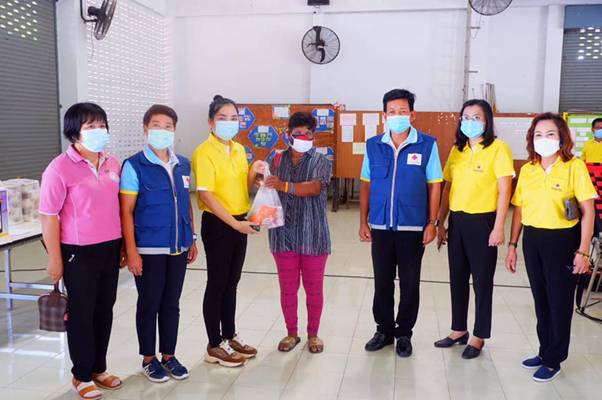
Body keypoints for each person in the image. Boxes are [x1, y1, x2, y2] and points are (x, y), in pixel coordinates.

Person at [40, 103, 123, 400]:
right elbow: (49, 216)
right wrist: (55, 257)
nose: (98, 131)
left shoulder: (112, 163)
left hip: (110, 247)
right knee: (82, 313)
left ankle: (99, 368)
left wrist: (123, 247)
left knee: (104, 308)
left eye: (101, 125)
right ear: (74, 132)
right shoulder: (59, 168)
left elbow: (118, 207)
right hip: (78, 251)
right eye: (90, 126)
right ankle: (82, 374)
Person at [506, 113, 596, 382]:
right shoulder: (528, 169)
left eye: (550, 134)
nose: (543, 139)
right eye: (538, 135)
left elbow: (588, 212)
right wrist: (512, 245)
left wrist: (583, 251)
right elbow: (519, 210)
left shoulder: (574, 167)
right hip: (533, 240)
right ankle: (544, 350)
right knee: (541, 299)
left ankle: (554, 359)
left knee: (559, 302)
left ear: (562, 138)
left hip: (563, 241)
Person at [359, 89, 443, 358]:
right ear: (384, 115)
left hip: (412, 227)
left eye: (403, 111)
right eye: (392, 112)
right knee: (382, 282)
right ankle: (383, 331)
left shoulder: (427, 144)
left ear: (412, 114)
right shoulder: (373, 145)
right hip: (381, 226)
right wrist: (363, 221)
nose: (397, 116)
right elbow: (366, 184)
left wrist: (432, 222)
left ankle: (404, 333)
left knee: (410, 283)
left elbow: (435, 185)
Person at [120, 105, 198, 382]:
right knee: (149, 303)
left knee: (171, 303)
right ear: (145, 128)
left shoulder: (183, 164)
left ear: (174, 130)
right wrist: (131, 251)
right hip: (148, 248)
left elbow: (186, 203)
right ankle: (148, 359)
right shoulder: (133, 165)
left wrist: (192, 238)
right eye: (156, 125)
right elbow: (126, 211)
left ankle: (169, 355)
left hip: (178, 246)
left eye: (168, 126)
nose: (162, 130)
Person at [434, 99, 514, 359]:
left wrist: (499, 227)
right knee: (457, 278)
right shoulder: (457, 150)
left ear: (487, 121)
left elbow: (505, 191)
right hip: (457, 221)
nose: (470, 122)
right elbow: (447, 188)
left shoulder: (498, 149)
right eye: (466, 117)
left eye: (476, 117)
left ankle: (479, 335)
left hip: (483, 223)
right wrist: (441, 222)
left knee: (482, 281)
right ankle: (458, 329)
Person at [192, 95, 264, 367]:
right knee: (217, 283)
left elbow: (242, 187)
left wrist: (255, 173)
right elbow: (207, 195)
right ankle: (214, 344)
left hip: (239, 220)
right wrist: (234, 224)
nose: (229, 123)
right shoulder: (204, 152)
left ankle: (229, 335)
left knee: (232, 282)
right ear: (211, 122)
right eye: (222, 118)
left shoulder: (238, 149)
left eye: (234, 118)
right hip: (219, 224)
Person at [261, 111, 332, 354]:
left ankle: (313, 334)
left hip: (313, 235)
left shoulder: (321, 161)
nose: (303, 137)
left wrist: (283, 185)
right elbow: (265, 187)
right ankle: (292, 333)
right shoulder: (276, 159)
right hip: (282, 235)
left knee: (314, 289)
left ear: (314, 136)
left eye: (308, 133)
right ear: (288, 135)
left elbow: (314, 188)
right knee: (288, 289)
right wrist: (261, 181)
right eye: (298, 133)